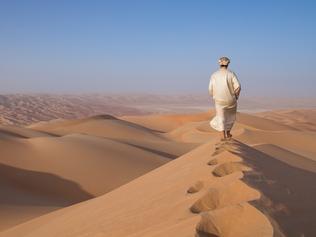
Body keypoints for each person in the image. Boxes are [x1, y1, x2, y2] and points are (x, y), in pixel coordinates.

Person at [208, 57, 241, 140]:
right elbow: (238, 87)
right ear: (228, 64)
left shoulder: (214, 75)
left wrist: (214, 96)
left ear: (219, 64)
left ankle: (223, 136)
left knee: (220, 117)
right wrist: (236, 97)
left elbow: (210, 89)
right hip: (231, 100)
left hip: (219, 100)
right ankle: (228, 133)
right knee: (231, 116)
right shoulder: (231, 74)